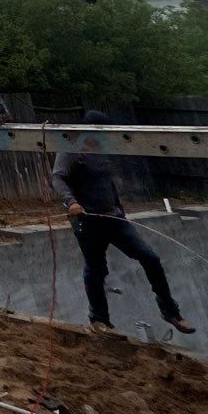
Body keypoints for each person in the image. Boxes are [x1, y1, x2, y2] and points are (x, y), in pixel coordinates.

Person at [52, 111, 196, 336]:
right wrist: (71, 202)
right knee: (96, 269)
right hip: (88, 222)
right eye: (102, 131)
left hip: (114, 218)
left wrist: (121, 211)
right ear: (89, 129)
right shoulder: (72, 150)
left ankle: (170, 312)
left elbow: (108, 183)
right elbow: (57, 177)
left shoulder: (104, 152)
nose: (105, 136)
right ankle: (99, 320)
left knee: (150, 257)